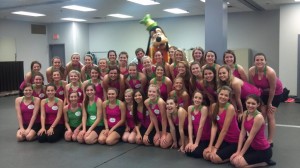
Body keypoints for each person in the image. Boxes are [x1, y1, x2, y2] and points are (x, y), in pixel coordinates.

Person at [230, 94, 274, 168]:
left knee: (238, 164)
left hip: (263, 150)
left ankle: (265, 162)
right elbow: (242, 133)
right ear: (245, 103)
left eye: (253, 104)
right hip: (253, 147)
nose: (250, 105)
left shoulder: (258, 117)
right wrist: (238, 151)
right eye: (248, 103)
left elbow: (250, 138)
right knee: (232, 160)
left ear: (258, 104)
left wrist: (241, 154)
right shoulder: (245, 113)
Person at [248, 53, 283, 146]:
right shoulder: (251, 71)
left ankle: (270, 140)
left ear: (265, 61)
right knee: (261, 114)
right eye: (257, 60)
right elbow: (254, 88)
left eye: (261, 60)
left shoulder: (270, 72)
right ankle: (260, 138)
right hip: (262, 92)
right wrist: (261, 102)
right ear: (254, 61)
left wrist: (269, 103)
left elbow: (273, 89)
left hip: (275, 93)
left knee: (270, 114)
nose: (259, 62)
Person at [203, 86, 240, 163]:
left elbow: (224, 130)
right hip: (224, 140)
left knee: (215, 158)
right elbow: (214, 126)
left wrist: (215, 148)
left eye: (226, 95)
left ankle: (231, 157)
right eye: (221, 94)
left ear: (229, 98)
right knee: (205, 154)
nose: (223, 97)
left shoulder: (230, 108)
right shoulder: (213, 106)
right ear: (218, 94)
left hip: (234, 141)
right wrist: (210, 146)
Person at [145, 84, 172, 148]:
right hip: (159, 124)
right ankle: (160, 132)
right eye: (150, 91)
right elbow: (153, 117)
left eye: (154, 92)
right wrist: (157, 132)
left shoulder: (160, 102)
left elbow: (164, 119)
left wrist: (164, 134)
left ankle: (171, 137)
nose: (151, 93)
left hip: (168, 124)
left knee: (163, 145)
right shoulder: (146, 102)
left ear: (157, 93)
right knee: (156, 143)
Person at [185, 91, 211, 158]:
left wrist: (196, 144)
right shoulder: (190, 108)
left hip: (206, 138)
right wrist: (191, 141)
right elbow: (190, 125)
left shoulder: (203, 109)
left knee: (196, 153)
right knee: (187, 150)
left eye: (200, 98)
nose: (197, 100)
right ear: (193, 98)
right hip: (197, 137)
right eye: (195, 97)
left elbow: (201, 127)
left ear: (202, 100)